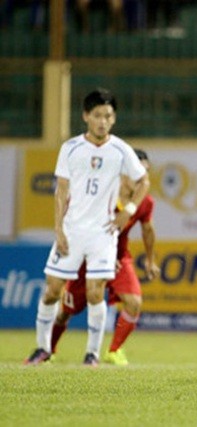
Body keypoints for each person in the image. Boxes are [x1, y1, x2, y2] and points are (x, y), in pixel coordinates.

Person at [24, 88, 150, 367]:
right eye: (97, 115)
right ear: (85, 116)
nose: (103, 121)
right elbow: (61, 191)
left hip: (103, 234)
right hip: (72, 230)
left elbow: (144, 182)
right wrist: (58, 229)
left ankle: (92, 354)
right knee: (53, 290)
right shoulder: (70, 148)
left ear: (113, 119)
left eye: (108, 116)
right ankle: (42, 348)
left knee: (96, 292)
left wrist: (127, 211)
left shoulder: (120, 149)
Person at [50, 148, 160, 366]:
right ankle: (48, 349)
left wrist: (150, 260)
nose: (141, 180)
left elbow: (148, 230)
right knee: (65, 312)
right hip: (88, 259)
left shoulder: (144, 202)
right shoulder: (102, 194)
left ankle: (114, 350)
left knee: (134, 302)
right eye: (137, 174)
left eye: (145, 175)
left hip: (120, 259)